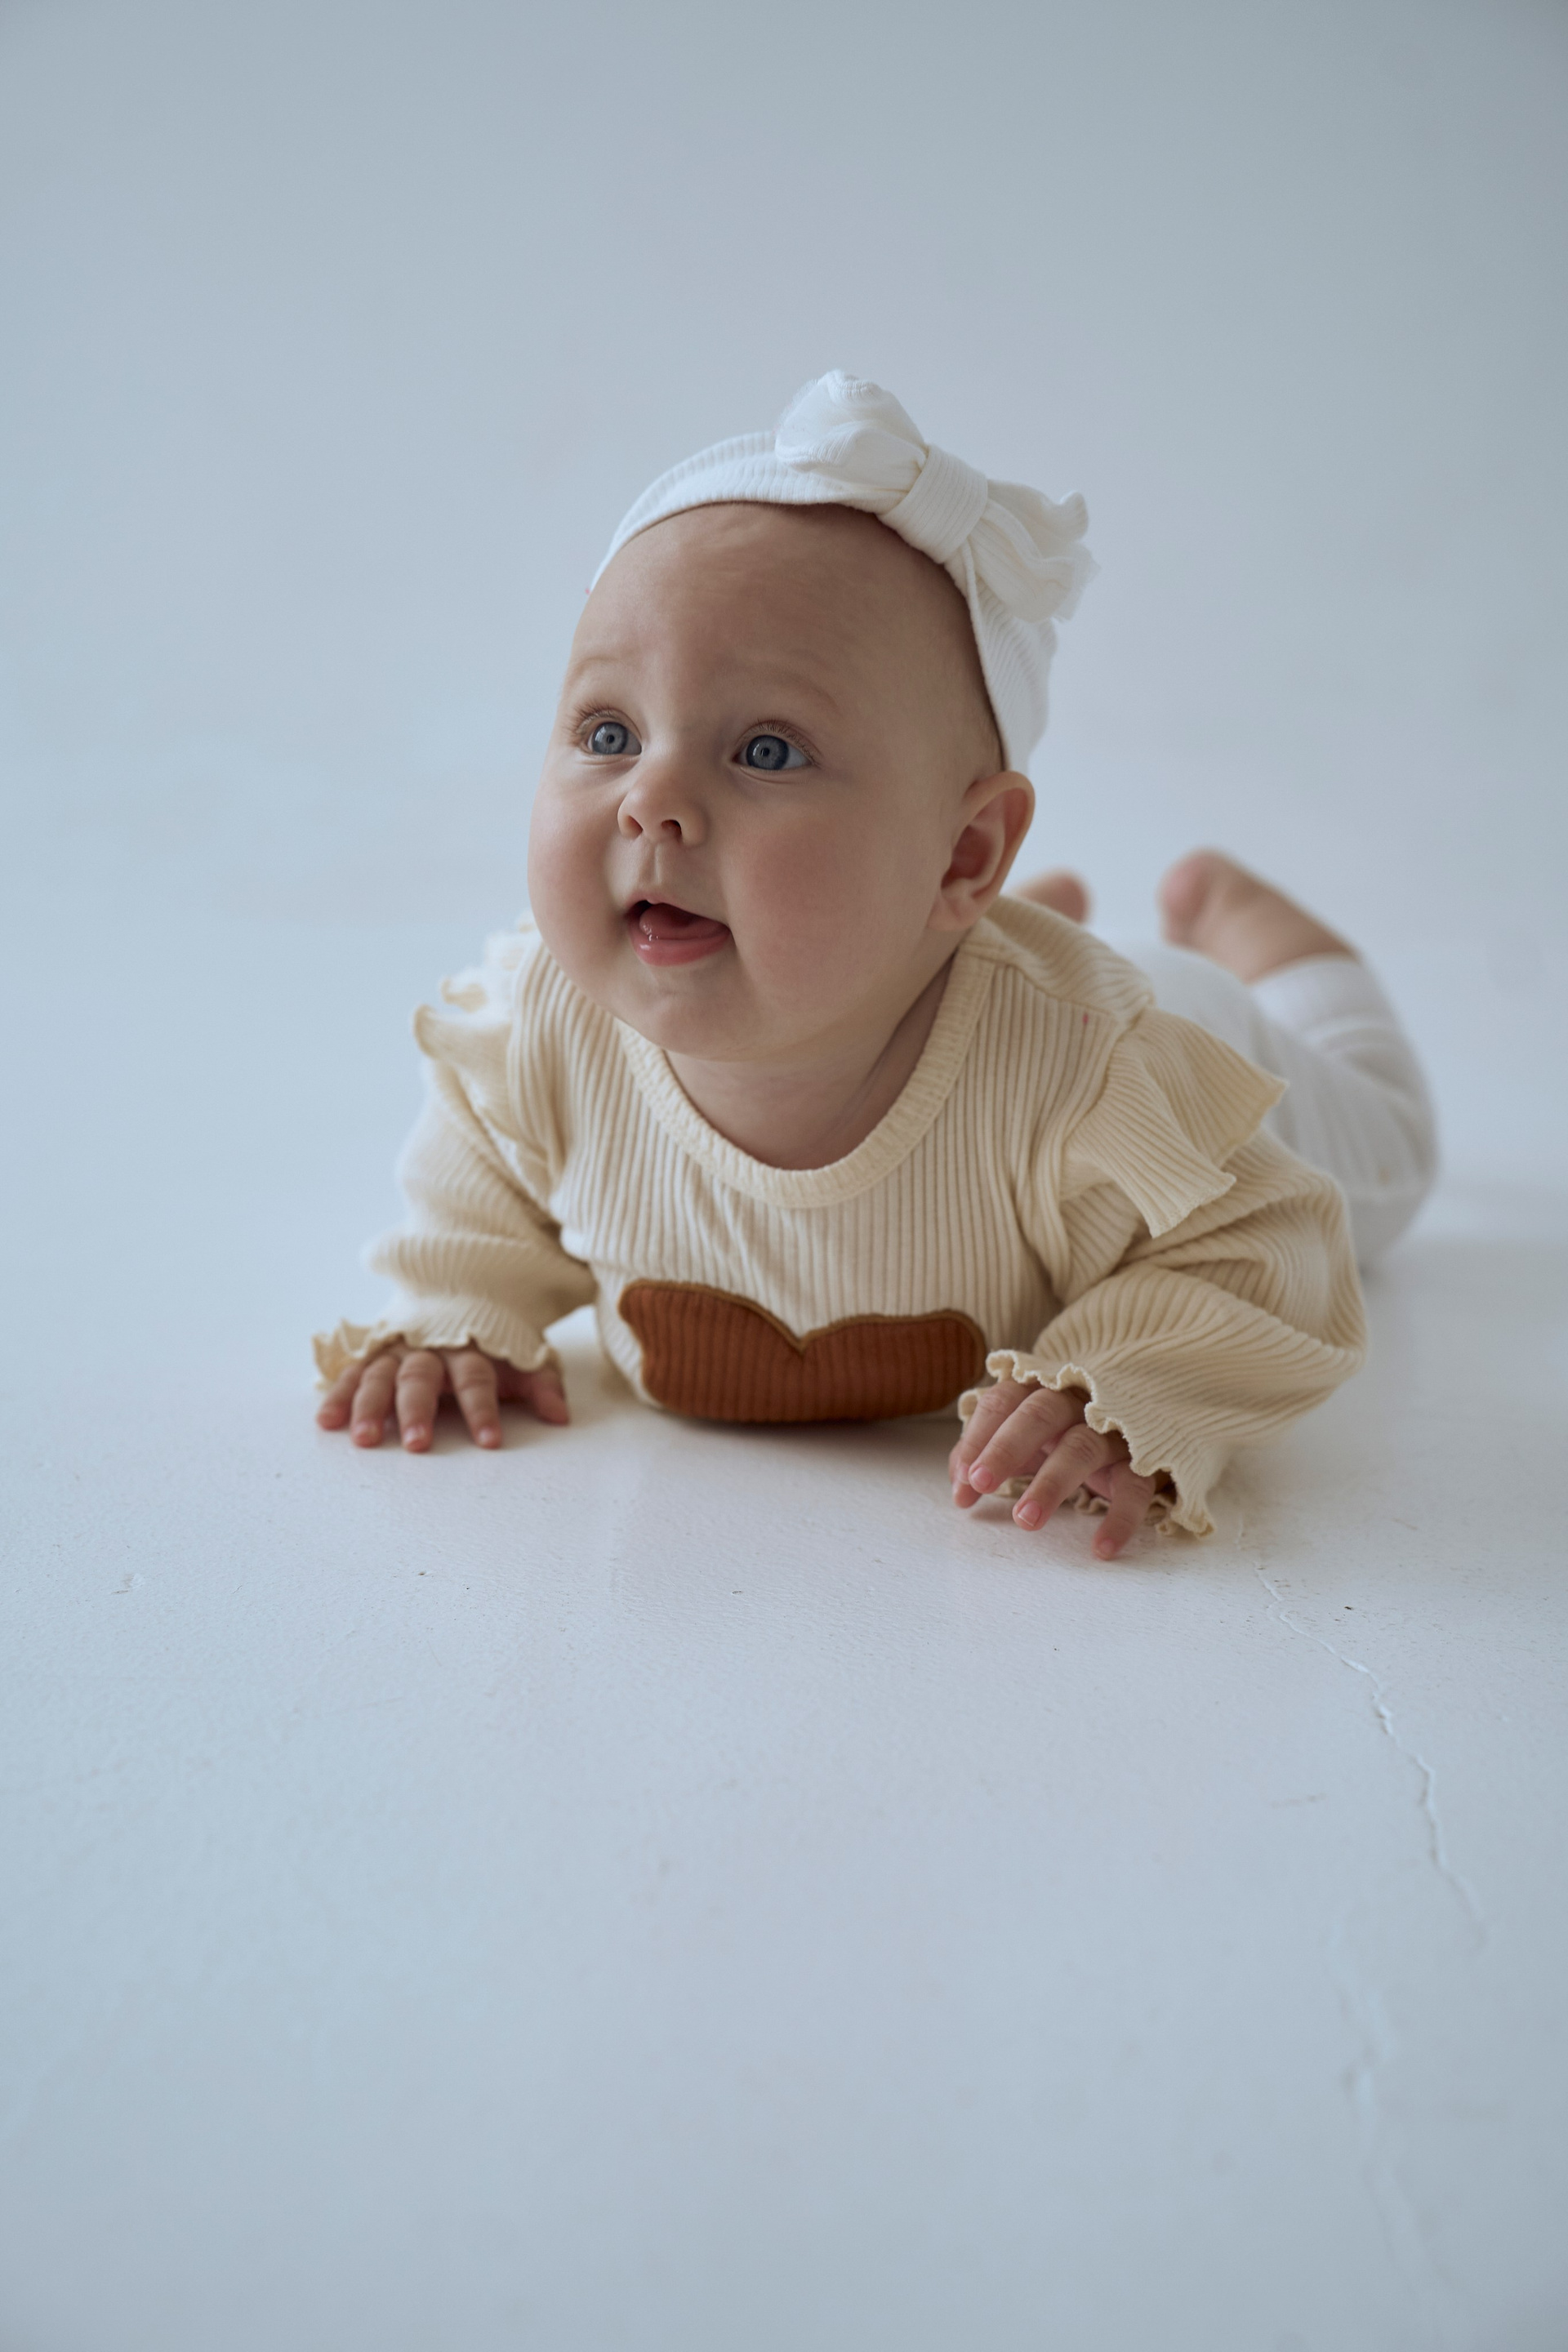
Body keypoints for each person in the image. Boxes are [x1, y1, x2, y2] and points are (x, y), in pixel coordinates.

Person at [315, 373, 1432, 1556]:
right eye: (609, 733)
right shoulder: (545, 1027)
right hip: (931, 939)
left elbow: (1267, 1247)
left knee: (1396, 1153)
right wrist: (459, 1307)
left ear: (963, 851)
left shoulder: (1093, 1075)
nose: (651, 800)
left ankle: (1253, 926)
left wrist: (1126, 1388)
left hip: (1190, 1026)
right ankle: (974, 928)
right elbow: (483, 1181)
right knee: (903, 951)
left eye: (766, 750)